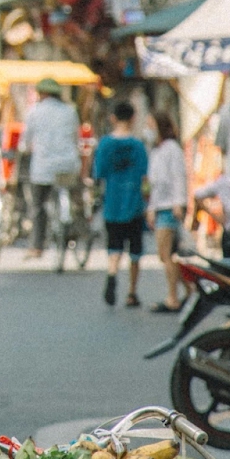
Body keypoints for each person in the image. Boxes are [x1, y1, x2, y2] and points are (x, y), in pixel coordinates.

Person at [94, 98, 149, 307]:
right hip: (134, 204)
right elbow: (145, 177)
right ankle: (132, 292)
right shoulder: (138, 145)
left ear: (113, 118)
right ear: (133, 119)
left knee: (114, 246)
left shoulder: (105, 144)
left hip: (112, 203)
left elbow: (99, 172)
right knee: (135, 252)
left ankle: (111, 273)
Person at [19, 79, 82, 260]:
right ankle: (74, 224)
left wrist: (25, 148)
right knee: (72, 194)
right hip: (68, 165)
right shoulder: (70, 111)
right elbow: (75, 138)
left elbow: (25, 141)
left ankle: (37, 246)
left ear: (42, 94)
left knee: (38, 205)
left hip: (43, 167)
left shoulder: (35, 112)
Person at [147, 112, 189, 313]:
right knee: (165, 254)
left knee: (166, 254)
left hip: (170, 207)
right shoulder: (157, 151)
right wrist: (151, 208)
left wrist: (179, 203)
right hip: (160, 205)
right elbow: (155, 185)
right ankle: (189, 289)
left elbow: (178, 177)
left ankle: (173, 296)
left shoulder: (172, 149)